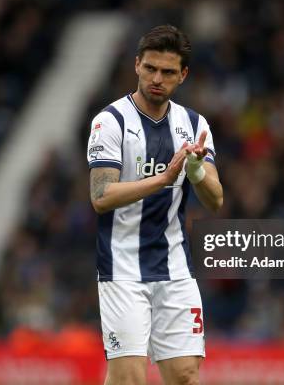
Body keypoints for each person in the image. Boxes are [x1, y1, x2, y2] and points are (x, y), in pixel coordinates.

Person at [87, 24, 223, 385]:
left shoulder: (193, 125)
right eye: (150, 68)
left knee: (185, 376)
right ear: (136, 66)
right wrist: (163, 179)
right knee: (129, 379)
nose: (156, 79)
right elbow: (101, 197)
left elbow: (215, 199)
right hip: (123, 269)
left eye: (167, 72)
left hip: (175, 269)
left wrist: (195, 169)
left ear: (183, 75)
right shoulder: (110, 121)